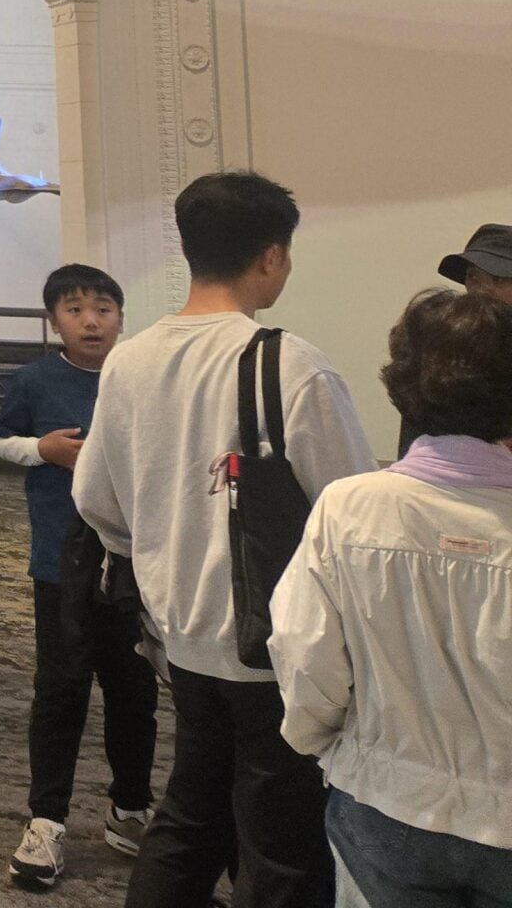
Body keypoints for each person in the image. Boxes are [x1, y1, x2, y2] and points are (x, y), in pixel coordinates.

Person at [74, 171, 376, 908]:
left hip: (182, 637)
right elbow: (351, 513)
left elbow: (94, 498)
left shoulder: (130, 359)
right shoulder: (289, 363)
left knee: (193, 817)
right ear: (272, 256)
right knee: (282, 845)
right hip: (276, 646)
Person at [272, 289, 512, 908]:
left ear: (402, 383)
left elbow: (303, 652)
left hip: (385, 800)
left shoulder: (350, 507)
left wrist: (330, 749)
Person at [0, 263, 160, 891]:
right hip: (61, 565)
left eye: (103, 309)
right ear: (53, 320)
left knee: (135, 692)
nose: (91, 321)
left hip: (138, 564)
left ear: (121, 317)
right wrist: (43, 450)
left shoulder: (143, 374)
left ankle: (130, 809)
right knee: (61, 690)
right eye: (75, 310)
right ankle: (47, 822)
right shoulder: (36, 379)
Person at [395, 225, 512, 453]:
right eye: (474, 277)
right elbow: (415, 449)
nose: (484, 288)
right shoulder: (440, 352)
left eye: (500, 278)